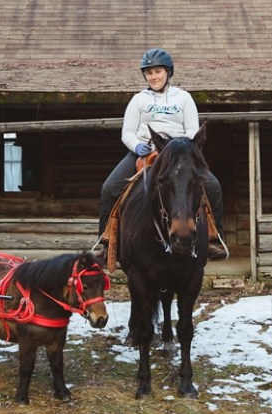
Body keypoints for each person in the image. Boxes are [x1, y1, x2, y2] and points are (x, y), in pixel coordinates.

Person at [96, 48, 229, 260]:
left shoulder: (183, 98)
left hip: (178, 154)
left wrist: (184, 148)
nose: (153, 76)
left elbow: (193, 130)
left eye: (157, 71)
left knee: (213, 186)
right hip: (144, 152)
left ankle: (215, 239)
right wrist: (137, 146)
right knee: (109, 187)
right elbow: (128, 132)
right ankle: (106, 241)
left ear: (168, 72)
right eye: (148, 73)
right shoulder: (138, 100)